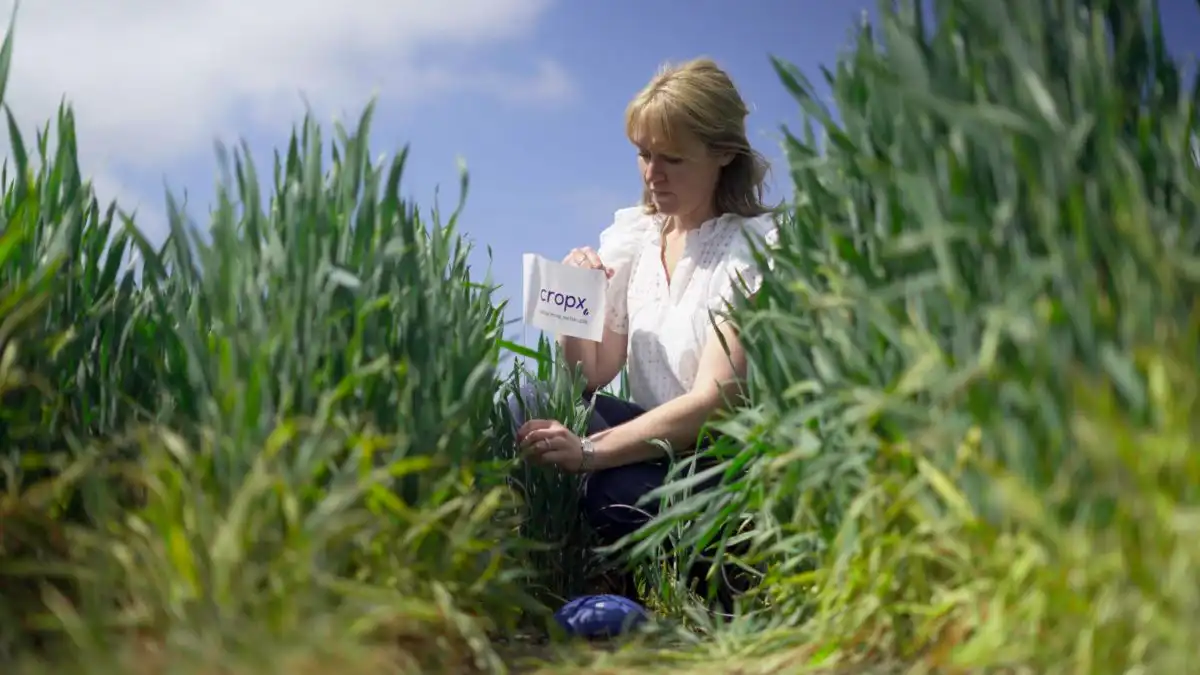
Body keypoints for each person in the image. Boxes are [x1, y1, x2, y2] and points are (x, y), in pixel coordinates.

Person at [509, 57, 777, 609]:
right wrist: (575, 298)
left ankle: (716, 577)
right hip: (647, 453)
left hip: (720, 472)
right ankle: (579, 570)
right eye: (644, 154)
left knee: (611, 488)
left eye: (672, 159)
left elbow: (715, 403)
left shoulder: (756, 248)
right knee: (527, 402)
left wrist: (588, 452)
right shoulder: (634, 237)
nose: (653, 175)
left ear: (724, 154)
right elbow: (591, 373)